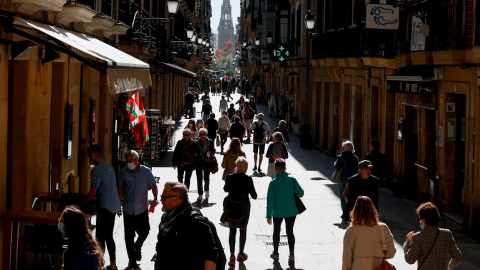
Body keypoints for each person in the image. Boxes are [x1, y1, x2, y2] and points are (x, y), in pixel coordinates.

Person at [155, 182, 218, 269]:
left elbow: (210, 254)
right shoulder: (167, 217)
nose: (161, 200)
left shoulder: (195, 221)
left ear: (176, 199)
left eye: (163, 197)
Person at [81, 144, 121, 270]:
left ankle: (100, 264)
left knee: (100, 237)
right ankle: (113, 264)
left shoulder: (96, 170)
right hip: (114, 205)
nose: (88, 157)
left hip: (105, 206)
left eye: (88, 155)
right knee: (109, 236)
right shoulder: (109, 167)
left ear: (92, 155)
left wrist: (81, 203)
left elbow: (93, 191)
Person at [118, 150, 158, 269]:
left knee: (145, 231)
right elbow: (121, 188)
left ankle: (138, 246)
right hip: (128, 209)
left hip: (142, 208)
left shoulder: (146, 171)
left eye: (130, 161)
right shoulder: (124, 172)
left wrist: (155, 199)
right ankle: (132, 261)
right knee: (128, 237)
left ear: (137, 161)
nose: (128, 163)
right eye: (127, 161)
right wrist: (118, 204)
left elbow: (154, 185)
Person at [266, 159, 304, 266]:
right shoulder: (292, 180)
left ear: (276, 170)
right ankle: (291, 254)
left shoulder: (273, 183)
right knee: (290, 231)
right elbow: (301, 194)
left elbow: (269, 200)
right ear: (285, 168)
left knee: (276, 231)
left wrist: (268, 215)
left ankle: (276, 252)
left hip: (277, 212)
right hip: (291, 211)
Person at [342, 196, 396, 270]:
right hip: (379, 267)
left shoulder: (351, 230)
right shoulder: (383, 228)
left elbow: (346, 258)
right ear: (373, 210)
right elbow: (391, 253)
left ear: (355, 210)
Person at [404, 202, 462, 269]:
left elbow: (410, 260)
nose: (420, 221)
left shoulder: (418, 237)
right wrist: (450, 267)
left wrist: (408, 243)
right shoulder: (447, 234)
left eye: (419, 219)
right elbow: (458, 257)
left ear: (423, 220)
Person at [222, 157, 257, 266]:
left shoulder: (230, 177)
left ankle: (231, 256)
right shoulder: (248, 179)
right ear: (245, 167)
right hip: (244, 207)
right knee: (242, 229)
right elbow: (254, 196)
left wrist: (231, 176)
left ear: (237, 167)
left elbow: (225, 189)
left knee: (232, 231)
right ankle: (241, 253)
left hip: (231, 206)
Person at [59, 206, 104, 270]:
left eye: (62, 222)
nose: (61, 225)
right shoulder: (89, 248)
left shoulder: (74, 254)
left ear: (70, 226)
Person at [335, 140, 359, 212]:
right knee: (351, 196)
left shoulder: (341, 157)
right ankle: (352, 212)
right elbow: (357, 169)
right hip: (353, 180)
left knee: (343, 196)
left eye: (343, 147)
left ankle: (345, 213)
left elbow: (337, 167)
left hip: (343, 179)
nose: (342, 149)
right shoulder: (355, 158)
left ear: (346, 148)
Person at [195, 128, 216, 201]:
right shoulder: (196, 142)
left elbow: (214, 150)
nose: (202, 136)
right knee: (199, 178)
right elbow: (194, 151)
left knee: (206, 177)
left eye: (203, 134)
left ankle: (207, 191)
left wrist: (211, 152)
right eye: (201, 134)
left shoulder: (210, 141)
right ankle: (200, 194)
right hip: (199, 161)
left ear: (206, 134)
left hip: (207, 161)